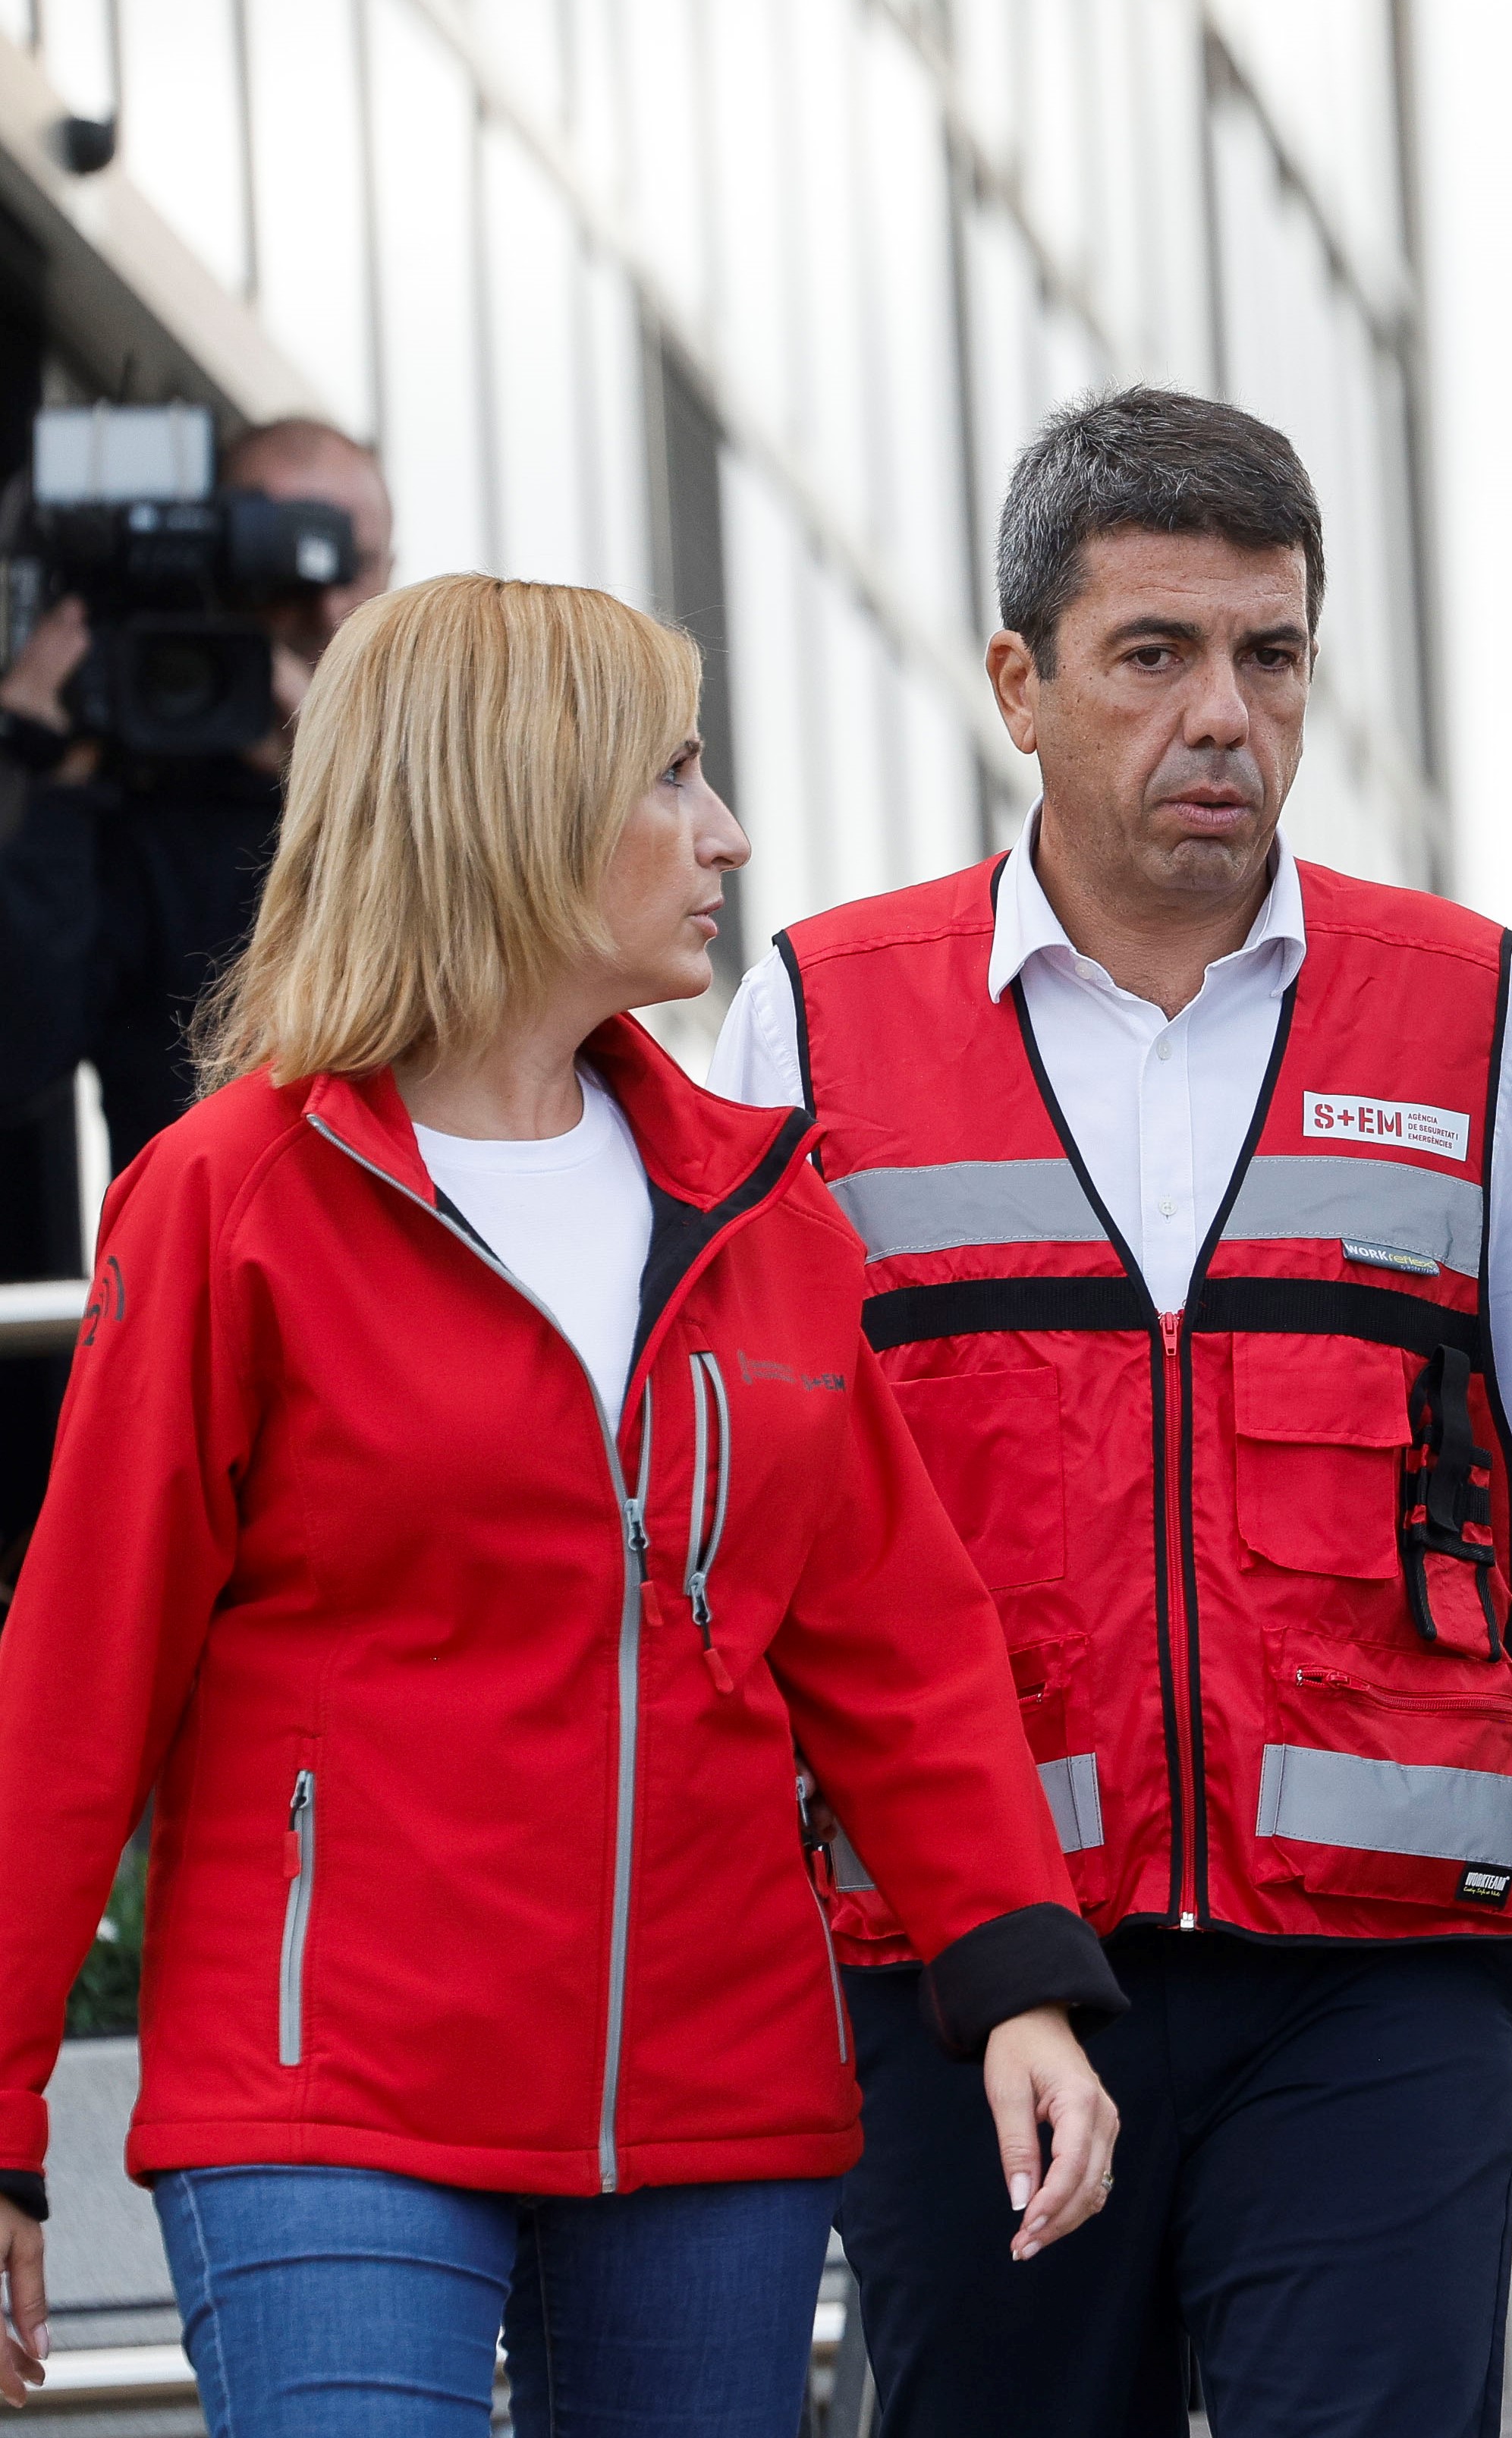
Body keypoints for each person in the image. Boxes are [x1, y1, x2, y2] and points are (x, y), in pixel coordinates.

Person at [0, 571, 1124, 2428]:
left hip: (717, 2107)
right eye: (671, 779)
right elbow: (74, 1684)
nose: (729, 835)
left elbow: (902, 1650)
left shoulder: (763, 1217)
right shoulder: (228, 1202)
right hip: (325, 2103)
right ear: (512, 807)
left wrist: (1019, 1982)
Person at [709, 387, 1512, 2438]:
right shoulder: (818, 1014)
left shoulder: (1467, 1004)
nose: (1223, 713)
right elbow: (747, 1541)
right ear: (1023, 682)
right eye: (1154, 655)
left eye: (1271, 653)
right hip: (969, 1971)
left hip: (1378, 1981)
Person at [0, 418, 396, 1582]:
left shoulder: (428, 796)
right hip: (199, 1376)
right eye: (283, 567)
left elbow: (456, 984)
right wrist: (46, 769)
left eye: (351, 563)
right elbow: (16, 1058)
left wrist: (324, 775)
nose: (324, 610)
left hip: (401, 1357)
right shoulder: (117, 802)